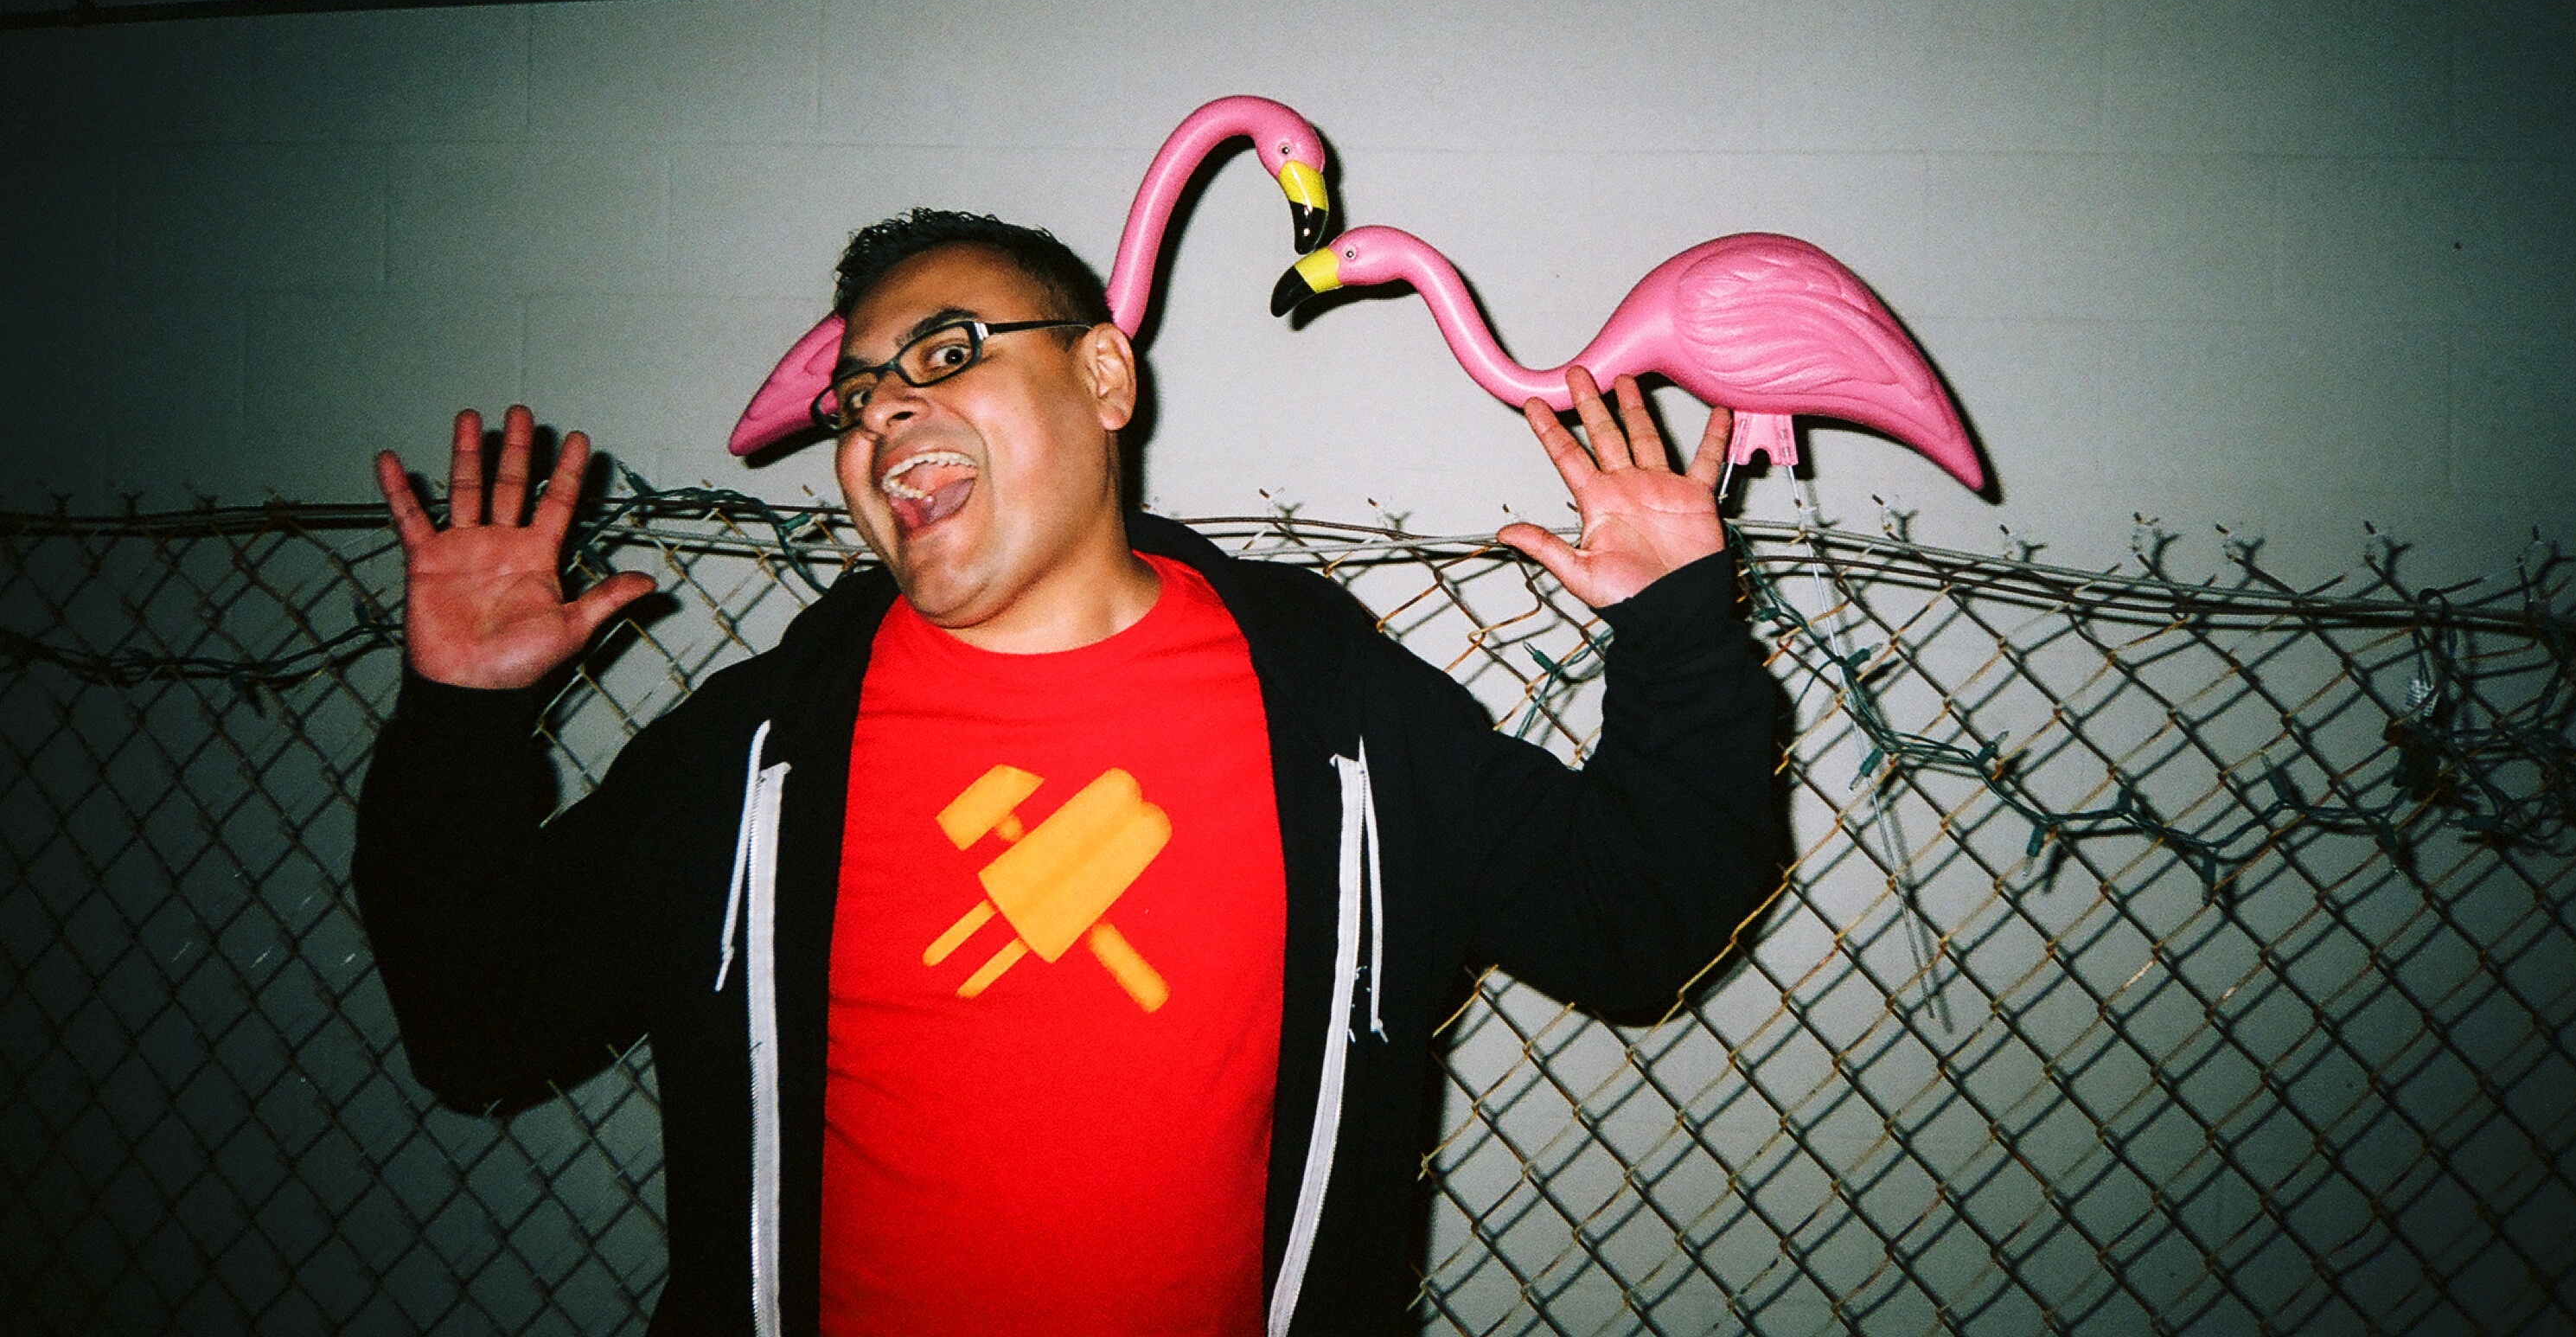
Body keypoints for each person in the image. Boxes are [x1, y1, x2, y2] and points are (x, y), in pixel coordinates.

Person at [354, 209, 1777, 1337]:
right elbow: (480, 1026)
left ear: (1104, 376)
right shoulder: (758, 754)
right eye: (855, 396)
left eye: (945, 353)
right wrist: (462, 721)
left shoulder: (1338, 720)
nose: (880, 415)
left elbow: (1639, 925)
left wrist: (1678, 631)